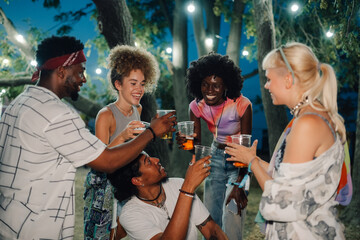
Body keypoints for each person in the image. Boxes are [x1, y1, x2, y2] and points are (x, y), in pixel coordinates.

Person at [0, 36, 176, 240]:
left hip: (10, 219)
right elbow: (107, 161)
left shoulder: (20, 102)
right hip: (34, 226)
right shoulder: (57, 114)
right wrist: (151, 132)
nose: (83, 79)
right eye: (80, 72)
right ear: (61, 71)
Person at [225, 42, 346, 239]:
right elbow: (291, 179)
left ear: (288, 80)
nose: (266, 85)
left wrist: (252, 162)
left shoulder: (307, 123)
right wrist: (252, 158)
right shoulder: (312, 116)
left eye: (269, 79)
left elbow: (282, 201)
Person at [83, 45, 159, 240]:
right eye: (133, 83)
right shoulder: (106, 115)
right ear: (118, 84)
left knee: (124, 233)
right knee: (101, 236)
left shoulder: (138, 110)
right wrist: (123, 136)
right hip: (103, 187)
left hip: (127, 183)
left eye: (142, 84)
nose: (139, 90)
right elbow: (99, 160)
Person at [177, 52, 252, 239]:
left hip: (238, 159)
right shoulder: (196, 106)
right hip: (215, 156)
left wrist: (239, 184)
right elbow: (196, 143)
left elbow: (246, 148)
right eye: (205, 84)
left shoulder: (242, 105)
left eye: (216, 85)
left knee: (232, 212)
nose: (209, 90)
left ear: (226, 85)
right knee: (210, 215)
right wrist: (186, 144)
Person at [107, 151, 228, 240]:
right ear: (137, 181)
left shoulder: (177, 185)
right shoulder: (130, 214)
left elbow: (211, 229)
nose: (157, 160)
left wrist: (185, 187)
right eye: (148, 162)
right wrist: (188, 189)